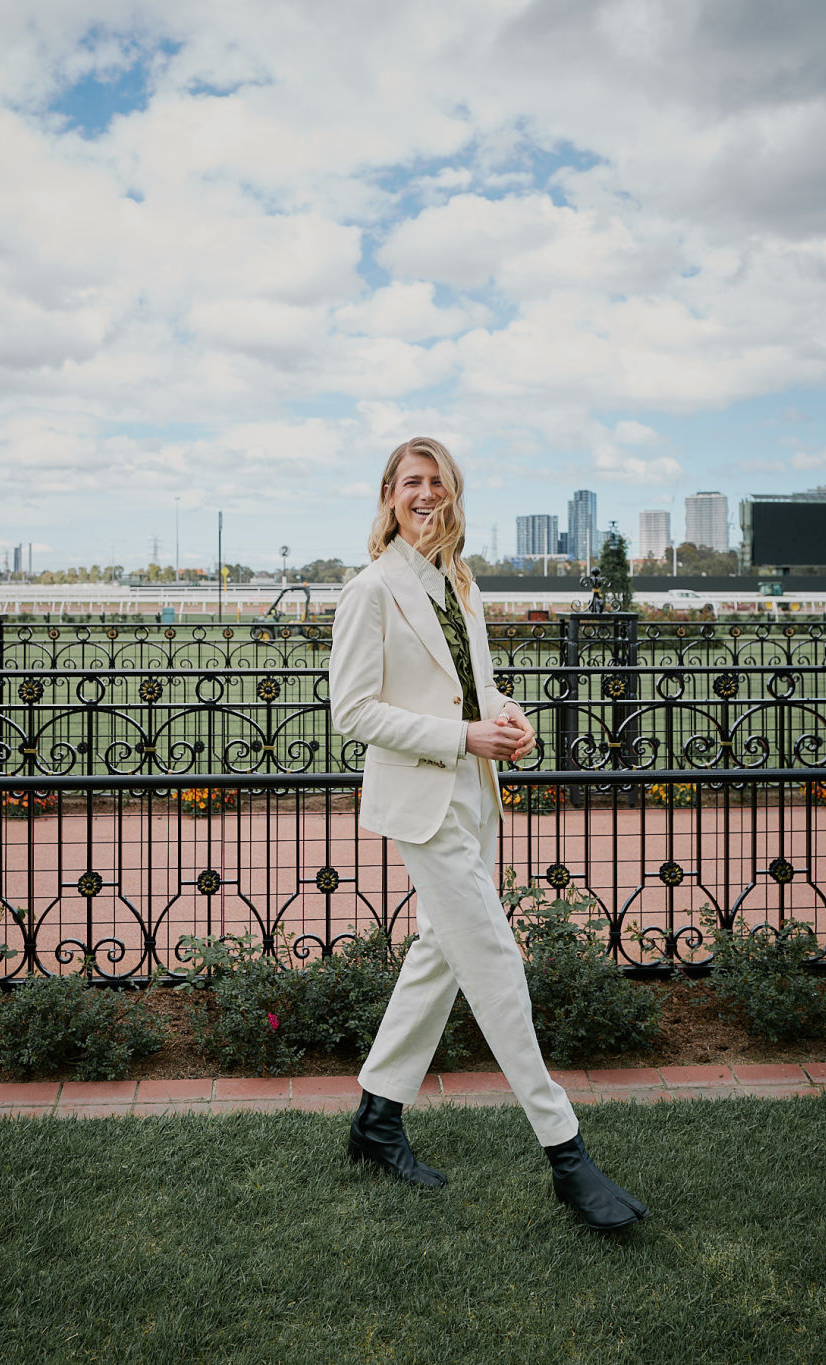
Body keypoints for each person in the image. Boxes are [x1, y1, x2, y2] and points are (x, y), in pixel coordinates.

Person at [328, 436, 647, 1231]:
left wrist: (508, 717)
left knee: (441, 953)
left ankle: (376, 1119)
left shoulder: (460, 584)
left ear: (453, 493)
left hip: (476, 797)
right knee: (496, 961)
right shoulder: (371, 590)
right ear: (388, 495)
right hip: (424, 805)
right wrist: (461, 736)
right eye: (412, 482)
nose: (425, 493)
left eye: (437, 481)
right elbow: (353, 712)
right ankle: (567, 1153)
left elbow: (477, 685)